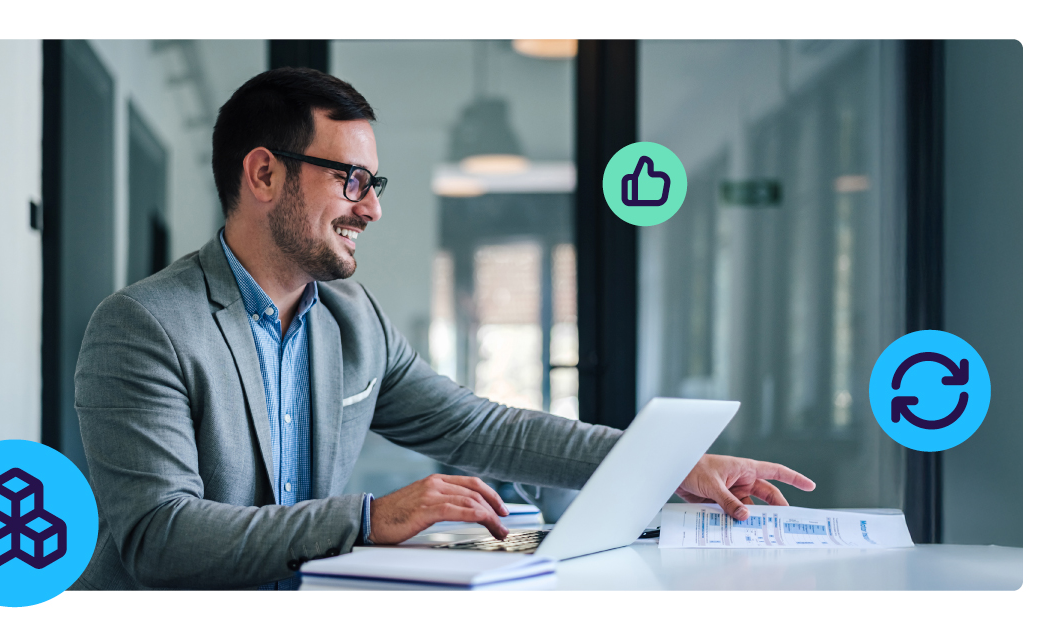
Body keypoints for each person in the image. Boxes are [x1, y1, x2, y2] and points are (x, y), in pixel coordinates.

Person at [72, 67, 815, 590]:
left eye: (374, 184)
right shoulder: (144, 326)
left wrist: (668, 464)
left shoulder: (351, 320)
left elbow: (486, 430)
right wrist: (368, 517)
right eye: (350, 180)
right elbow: (159, 539)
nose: (371, 209)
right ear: (263, 175)